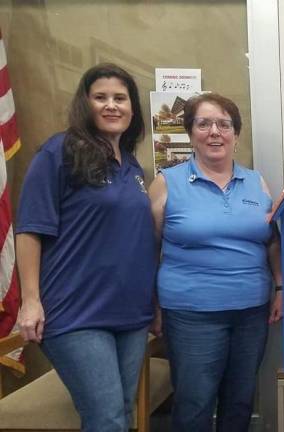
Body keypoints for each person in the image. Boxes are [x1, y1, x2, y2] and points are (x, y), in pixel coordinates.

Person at [15, 63, 155, 431]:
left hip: (130, 315)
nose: (112, 105)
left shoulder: (133, 168)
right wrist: (30, 299)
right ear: (85, 104)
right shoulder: (59, 152)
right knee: (106, 417)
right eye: (101, 97)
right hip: (76, 313)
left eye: (120, 98)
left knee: (122, 413)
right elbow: (30, 229)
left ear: (132, 108)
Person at [148, 93, 283, 432]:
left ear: (235, 135)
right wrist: (151, 305)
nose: (214, 132)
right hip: (192, 313)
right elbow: (148, 249)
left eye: (224, 124)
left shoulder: (257, 181)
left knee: (240, 400)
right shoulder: (167, 183)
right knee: (195, 401)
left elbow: (271, 242)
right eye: (204, 123)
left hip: (251, 310)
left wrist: (279, 285)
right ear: (190, 133)